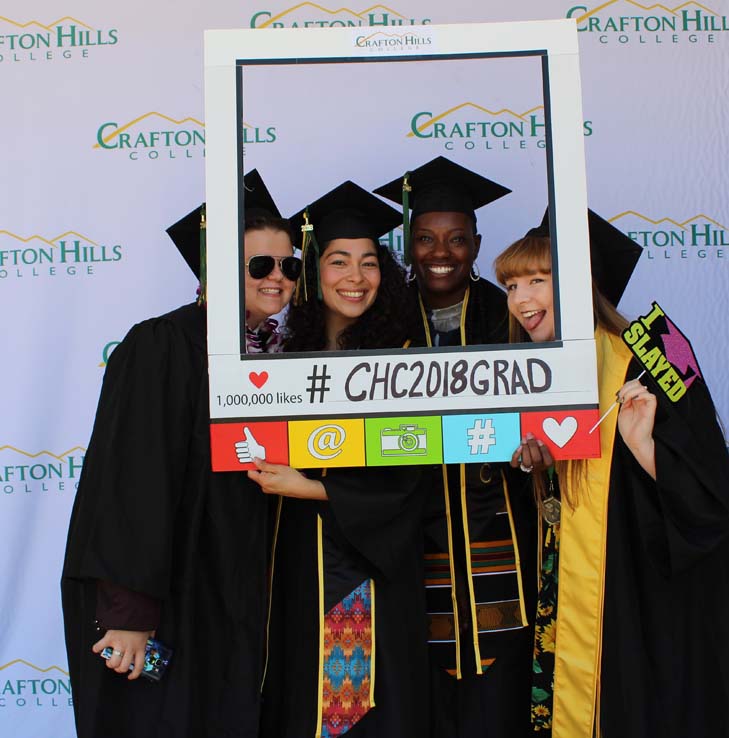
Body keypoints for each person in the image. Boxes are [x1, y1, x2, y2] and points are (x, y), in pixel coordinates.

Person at [61, 170, 300, 738]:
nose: (278, 278)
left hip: (229, 594)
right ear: (213, 266)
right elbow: (127, 483)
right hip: (170, 597)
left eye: (289, 266)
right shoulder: (162, 344)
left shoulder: (265, 356)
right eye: (259, 265)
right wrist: (129, 614)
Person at [494, 212, 729, 738]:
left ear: (583, 281)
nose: (520, 299)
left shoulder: (655, 354)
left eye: (538, 280)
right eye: (511, 284)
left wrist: (643, 446)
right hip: (566, 598)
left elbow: (710, 495)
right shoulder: (529, 371)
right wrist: (536, 471)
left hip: (643, 601)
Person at [250, 181, 428, 738]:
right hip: (289, 565)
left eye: (370, 263)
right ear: (311, 272)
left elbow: (410, 479)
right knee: (294, 695)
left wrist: (310, 489)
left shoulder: (402, 358)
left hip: (367, 567)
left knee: (362, 708)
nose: (356, 277)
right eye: (338, 261)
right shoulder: (281, 355)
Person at [375, 157, 538, 738]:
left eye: (456, 239)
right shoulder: (383, 319)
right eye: (425, 238)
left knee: (500, 705)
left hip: (501, 534)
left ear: (476, 244)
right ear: (407, 243)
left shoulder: (509, 315)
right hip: (410, 541)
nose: (440, 251)